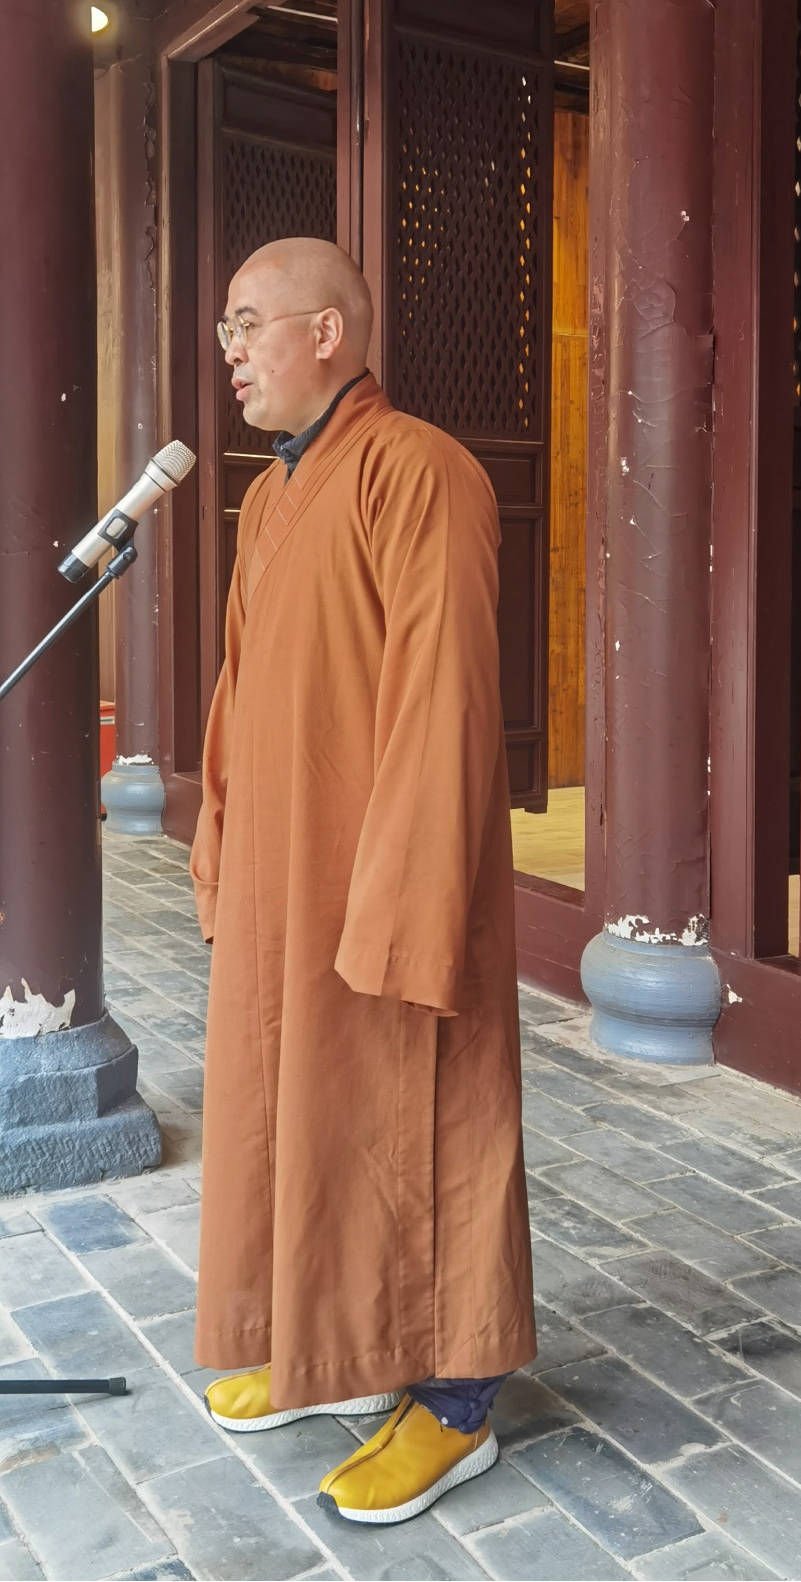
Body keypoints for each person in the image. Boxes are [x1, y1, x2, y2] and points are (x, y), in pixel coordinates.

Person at [190, 237, 536, 1524]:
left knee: (420, 1125)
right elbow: (236, 688)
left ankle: (455, 1403)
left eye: (247, 324)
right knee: (300, 1114)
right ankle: (331, 1351)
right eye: (226, 332)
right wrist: (220, 834)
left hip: (386, 878)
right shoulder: (268, 497)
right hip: (284, 874)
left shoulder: (420, 469)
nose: (230, 353)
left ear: (326, 333)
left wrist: (405, 906)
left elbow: (445, 700)